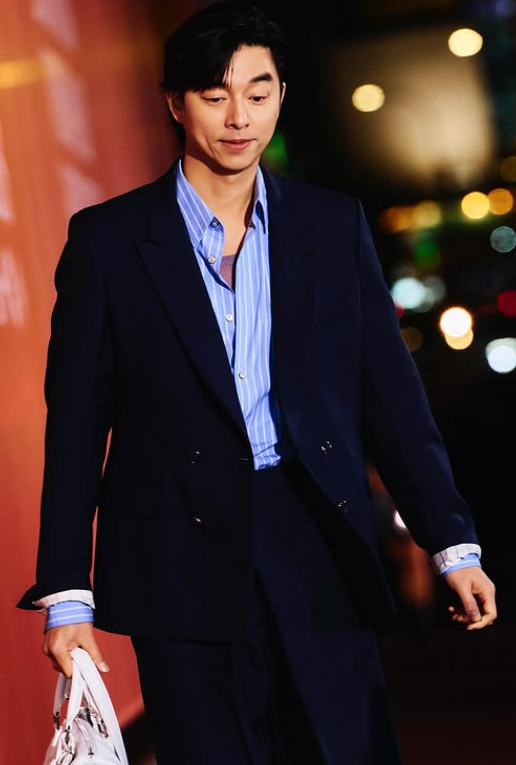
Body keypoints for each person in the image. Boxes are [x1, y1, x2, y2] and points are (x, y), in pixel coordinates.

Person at [18, 2, 497, 763]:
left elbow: (390, 396)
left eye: (258, 91)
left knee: (343, 746)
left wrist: (452, 543)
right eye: (215, 95)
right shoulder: (109, 241)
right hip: (176, 546)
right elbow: (76, 423)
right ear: (175, 102)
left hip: (311, 526)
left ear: (280, 95)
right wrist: (66, 592)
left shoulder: (331, 224)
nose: (239, 117)